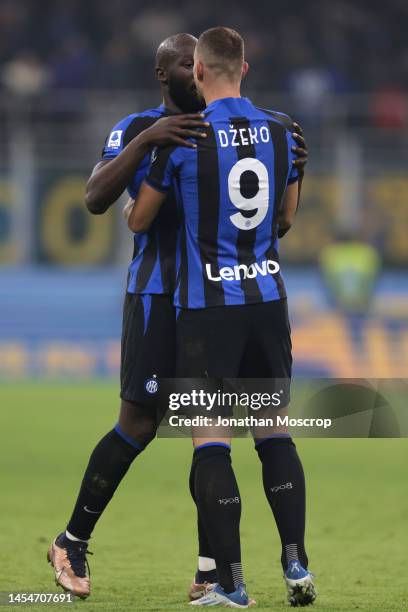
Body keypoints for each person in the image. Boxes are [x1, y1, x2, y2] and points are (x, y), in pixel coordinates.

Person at [47, 31, 308, 603]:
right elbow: (95, 198)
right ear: (166, 76)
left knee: (209, 434)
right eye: (184, 69)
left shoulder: (234, 132)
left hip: (214, 301)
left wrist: (289, 165)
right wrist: (146, 144)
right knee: (138, 426)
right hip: (158, 297)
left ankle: (213, 569)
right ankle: (71, 540)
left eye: (199, 66)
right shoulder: (138, 127)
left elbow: (273, 220)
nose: (195, 74)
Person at [127, 27, 315, 608]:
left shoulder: (184, 141)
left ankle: (229, 583)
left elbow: (138, 222)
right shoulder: (285, 132)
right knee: (275, 432)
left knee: (211, 440)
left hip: (207, 311)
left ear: (200, 73)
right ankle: (296, 563)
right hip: (267, 302)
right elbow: (285, 219)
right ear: (246, 67)